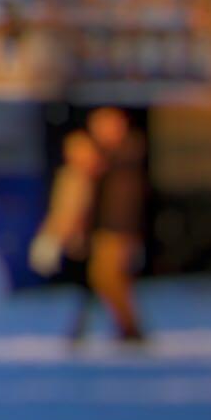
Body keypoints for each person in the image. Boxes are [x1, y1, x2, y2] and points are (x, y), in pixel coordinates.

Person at [31, 104, 152, 350]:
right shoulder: (103, 160)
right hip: (102, 229)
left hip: (115, 229)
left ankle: (129, 329)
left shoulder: (124, 154)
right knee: (99, 279)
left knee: (106, 279)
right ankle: (95, 329)